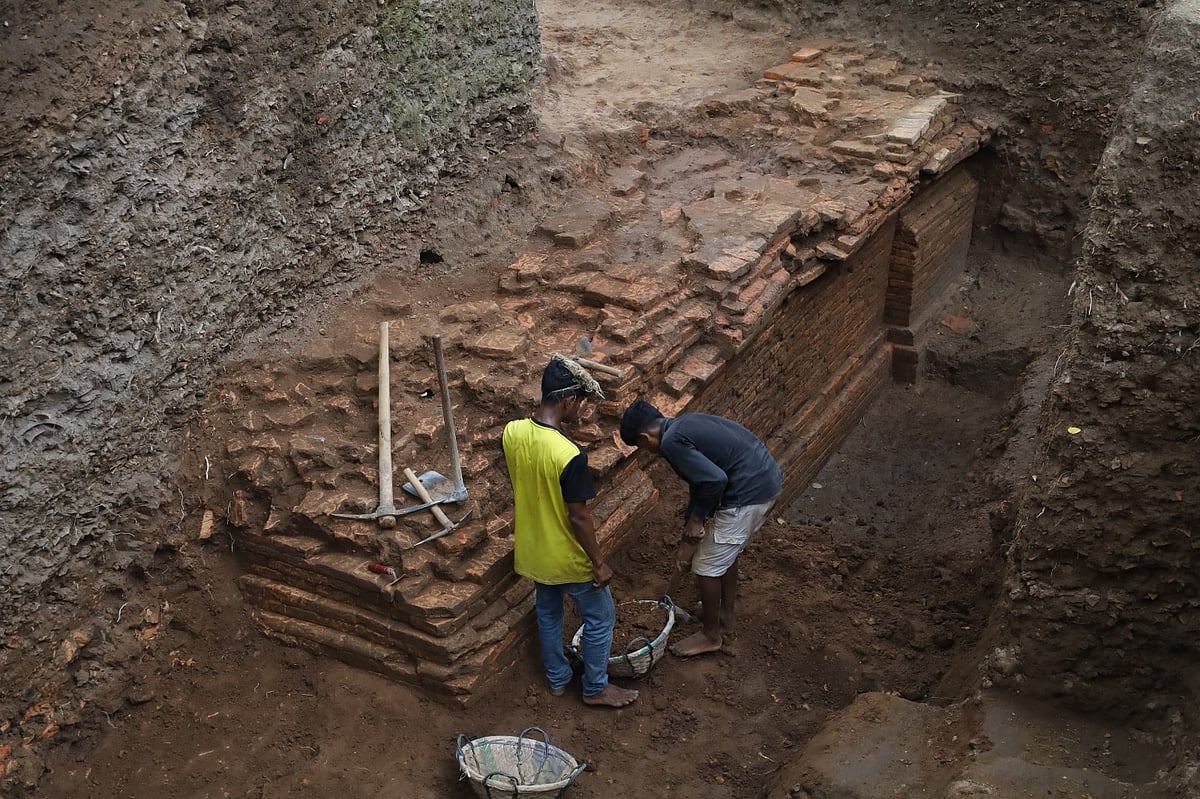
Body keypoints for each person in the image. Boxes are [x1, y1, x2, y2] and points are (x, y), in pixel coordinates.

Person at [502, 355, 638, 708]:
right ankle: (595, 688)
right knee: (601, 617)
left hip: (533, 551)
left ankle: (558, 679)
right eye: (580, 403)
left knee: (548, 614)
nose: (580, 410)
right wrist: (598, 563)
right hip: (567, 557)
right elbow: (579, 518)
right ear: (567, 401)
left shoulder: (512, 432)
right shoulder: (569, 454)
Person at [619, 400, 783, 657]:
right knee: (725, 554)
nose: (649, 451)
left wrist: (697, 521)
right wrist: (691, 519)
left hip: (748, 494)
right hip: (764, 480)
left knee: (706, 567)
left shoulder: (671, 443)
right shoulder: (684, 424)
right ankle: (724, 615)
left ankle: (710, 636)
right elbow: (700, 480)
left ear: (644, 437)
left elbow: (714, 480)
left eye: (643, 448)